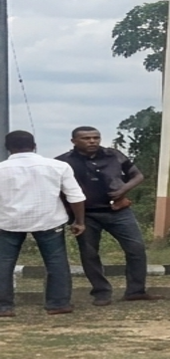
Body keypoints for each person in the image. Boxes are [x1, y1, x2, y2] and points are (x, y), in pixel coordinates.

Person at [57, 126, 154, 305]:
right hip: (86, 215)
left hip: (119, 211)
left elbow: (137, 175)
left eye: (96, 137)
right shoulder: (63, 162)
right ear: (74, 141)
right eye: (86, 138)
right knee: (89, 253)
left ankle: (135, 291)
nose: (92, 141)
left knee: (136, 249)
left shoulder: (114, 155)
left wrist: (124, 189)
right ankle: (101, 292)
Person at [0, 131, 86, 317]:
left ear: (8, 148)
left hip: (8, 222)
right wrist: (79, 221)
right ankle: (58, 303)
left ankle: (3, 307)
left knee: (3, 263)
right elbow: (76, 196)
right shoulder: (59, 166)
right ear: (35, 145)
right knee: (56, 262)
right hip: (50, 220)